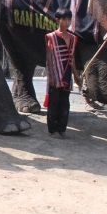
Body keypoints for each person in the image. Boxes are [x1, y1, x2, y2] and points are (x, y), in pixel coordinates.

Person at [45, 8, 80, 139]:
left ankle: (62, 129)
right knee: (54, 102)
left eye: (69, 19)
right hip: (56, 72)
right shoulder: (51, 37)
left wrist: (76, 75)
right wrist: (51, 76)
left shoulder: (72, 38)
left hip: (67, 74)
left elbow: (73, 58)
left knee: (65, 103)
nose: (67, 22)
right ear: (58, 20)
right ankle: (52, 130)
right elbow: (49, 58)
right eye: (64, 19)